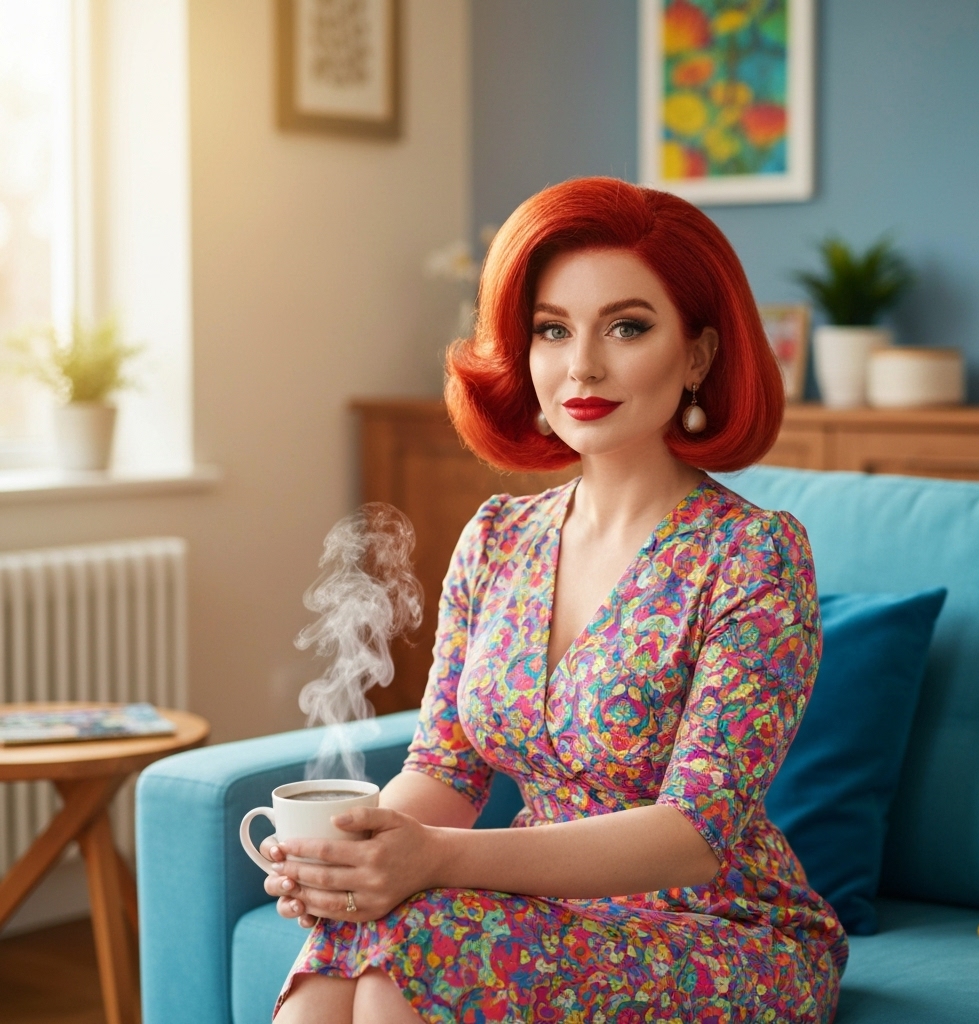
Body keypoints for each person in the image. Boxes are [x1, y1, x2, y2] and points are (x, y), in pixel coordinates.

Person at [266, 177, 848, 1023]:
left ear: (698, 355)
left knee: (415, 935)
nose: (582, 365)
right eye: (551, 330)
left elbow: (695, 834)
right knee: (363, 926)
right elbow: (443, 769)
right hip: (561, 916)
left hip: (727, 931)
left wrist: (433, 862)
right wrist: (355, 857)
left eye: (627, 326)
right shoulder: (498, 538)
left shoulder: (753, 555)